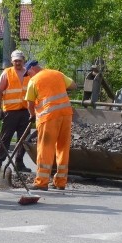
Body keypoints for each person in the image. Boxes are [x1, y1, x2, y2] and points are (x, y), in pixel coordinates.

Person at [24, 59, 77, 191]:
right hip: (66, 115)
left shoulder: (34, 80)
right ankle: (60, 182)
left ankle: (41, 182)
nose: (28, 76)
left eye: (27, 73)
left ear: (32, 68)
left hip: (48, 117)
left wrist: (32, 115)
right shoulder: (57, 74)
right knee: (63, 148)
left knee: (45, 149)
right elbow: (74, 86)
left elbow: (29, 103)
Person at [0, 49, 32, 173]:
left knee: (23, 139)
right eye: (15, 61)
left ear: (24, 61)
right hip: (10, 112)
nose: (17, 63)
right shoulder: (7, 73)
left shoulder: (29, 73)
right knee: (5, 137)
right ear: (11, 61)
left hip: (25, 111)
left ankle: (19, 163)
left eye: (19, 61)